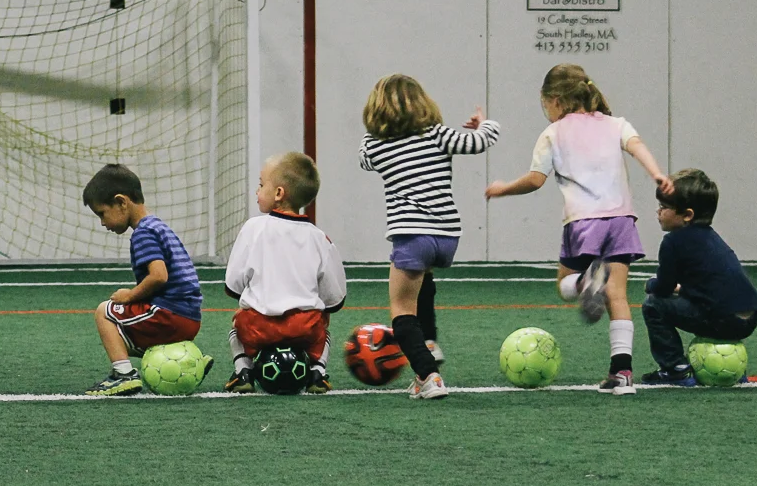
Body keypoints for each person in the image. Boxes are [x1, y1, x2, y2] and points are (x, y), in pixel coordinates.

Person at [485, 64, 671, 396]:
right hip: (621, 219)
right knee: (617, 296)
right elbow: (637, 146)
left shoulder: (553, 133)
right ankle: (622, 374)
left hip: (584, 221)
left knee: (564, 284)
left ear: (555, 100)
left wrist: (503, 189)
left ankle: (585, 282)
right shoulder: (615, 124)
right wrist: (657, 174)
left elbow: (535, 180)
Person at [359, 73, 499, 400]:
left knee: (401, 310)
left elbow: (363, 159)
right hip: (447, 236)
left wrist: (373, 131)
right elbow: (482, 141)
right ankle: (429, 341)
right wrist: (485, 123)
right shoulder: (438, 134)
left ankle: (428, 375)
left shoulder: (378, 145)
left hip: (412, 234)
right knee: (424, 282)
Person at [223, 152, 347, 394]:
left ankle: (243, 372)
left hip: (258, 326)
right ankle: (317, 373)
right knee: (323, 327)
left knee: (236, 326)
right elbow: (335, 299)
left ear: (279, 193)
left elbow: (233, 286)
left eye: (261, 185)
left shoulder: (253, 228)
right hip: (303, 328)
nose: (257, 191)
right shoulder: (319, 238)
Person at [82, 164, 204, 395]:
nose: (102, 223)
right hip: (191, 318)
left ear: (121, 202)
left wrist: (130, 295)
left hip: (170, 315)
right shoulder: (158, 226)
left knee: (105, 312)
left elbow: (159, 276)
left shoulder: (143, 233)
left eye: (102, 213)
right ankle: (190, 360)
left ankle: (124, 375)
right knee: (122, 335)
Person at [638, 169, 757, 385]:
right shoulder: (711, 238)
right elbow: (712, 285)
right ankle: (733, 369)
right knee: (698, 304)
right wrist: (682, 289)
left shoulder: (673, 241)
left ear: (687, 215)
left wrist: (651, 284)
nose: (658, 212)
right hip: (749, 319)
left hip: (724, 319)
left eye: (664, 207)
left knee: (653, 305)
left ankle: (674, 368)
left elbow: (664, 287)